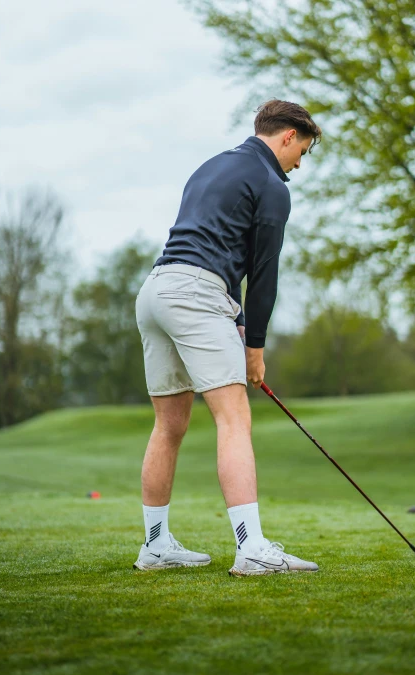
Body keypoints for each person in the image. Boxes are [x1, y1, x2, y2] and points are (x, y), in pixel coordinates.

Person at [134, 99, 322, 576]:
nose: (300, 162)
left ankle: (155, 546)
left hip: (156, 291)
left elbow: (214, 244)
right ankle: (252, 549)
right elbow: (263, 274)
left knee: (169, 425)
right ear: (287, 136)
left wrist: (233, 318)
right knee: (234, 418)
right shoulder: (272, 186)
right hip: (196, 294)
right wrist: (254, 350)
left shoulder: (213, 165)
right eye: (302, 150)